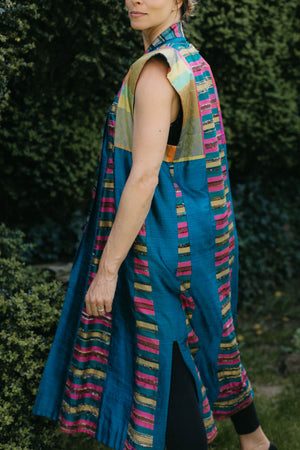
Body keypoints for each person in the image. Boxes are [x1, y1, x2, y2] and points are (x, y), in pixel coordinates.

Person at [33, 1, 277, 449]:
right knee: (210, 336)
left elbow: (143, 176)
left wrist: (106, 272)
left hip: (162, 240)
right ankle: (256, 442)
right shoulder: (190, 60)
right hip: (204, 231)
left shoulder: (155, 73)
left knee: (165, 363)